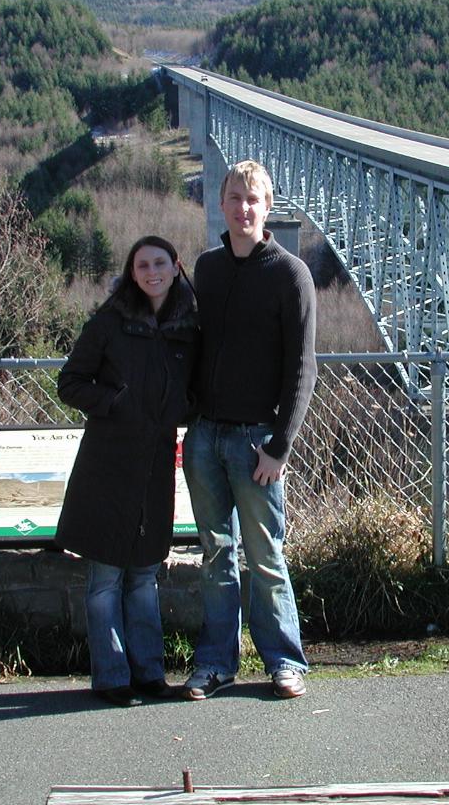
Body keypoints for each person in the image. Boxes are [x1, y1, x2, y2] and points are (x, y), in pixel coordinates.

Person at [181, 159, 318, 701]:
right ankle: (216, 664)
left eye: (253, 200)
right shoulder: (208, 268)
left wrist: (279, 447)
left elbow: (302, 368)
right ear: (222, 204)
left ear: (267, 207)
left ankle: (286, 661)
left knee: (265, 556)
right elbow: (192, 349)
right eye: (234, 198)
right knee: (215, 556)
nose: (243, 208)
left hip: (258, 441)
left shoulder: (290, 274)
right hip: (206, 438)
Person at [54, 235, 198, 707]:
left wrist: (185, 410)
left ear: (176, 267)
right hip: (109, 461)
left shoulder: (189, 326)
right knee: (106, 578)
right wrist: (114, 402)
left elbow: (198, 385)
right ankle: (112, 677)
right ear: (132, 272)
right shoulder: (111, 321)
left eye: (160, 262)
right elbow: (71, 382)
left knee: (144, 573)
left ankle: (149, 674)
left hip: (156, 461)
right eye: (142, 264)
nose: (152, 271)